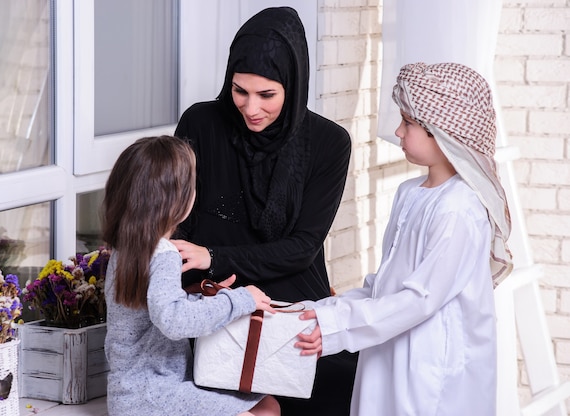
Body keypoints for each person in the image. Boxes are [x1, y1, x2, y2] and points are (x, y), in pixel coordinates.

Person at [296, 62, 514, 416]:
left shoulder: (458, 209)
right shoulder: (410, 192)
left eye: (408, 123)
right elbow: (385, 286)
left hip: (432, 369)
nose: (397, 131)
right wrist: (315, 312)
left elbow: (419, 300)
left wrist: (336, 328)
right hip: (390, 350)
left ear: (443, 133)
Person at [171, 6, 358, 416]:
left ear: (293, 85)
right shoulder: (201, 123)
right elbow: (176, 220)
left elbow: (303, 247)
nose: (251, 107)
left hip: (289, 305)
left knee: (338, 383)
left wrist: (214, 255)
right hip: (213, 301)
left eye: (267, 95)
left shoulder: (329, 143)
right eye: (240, 91)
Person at [101, 136, 280, 416]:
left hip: (132, 393)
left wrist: (201, 298)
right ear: (178, 200)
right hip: (156, 394)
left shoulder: (127, 247)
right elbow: (173, 321)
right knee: (265, 410)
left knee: (266, 403)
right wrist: (242, 300)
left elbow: (153, 309)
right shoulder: (163, 253)